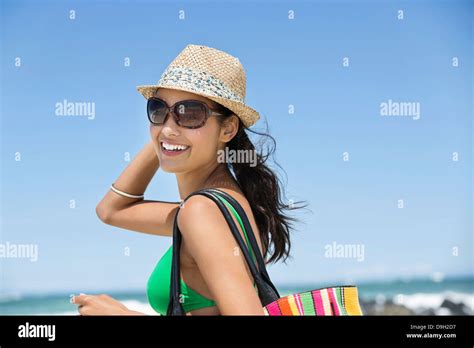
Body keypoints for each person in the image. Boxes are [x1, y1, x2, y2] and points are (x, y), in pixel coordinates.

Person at [71, 44, 307, 315]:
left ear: (228, 128)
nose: (170, 126)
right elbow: (111, 210)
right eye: (158, 110)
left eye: (191, 113)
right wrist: (167, 135)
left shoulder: (201, 212)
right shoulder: (219, 206)